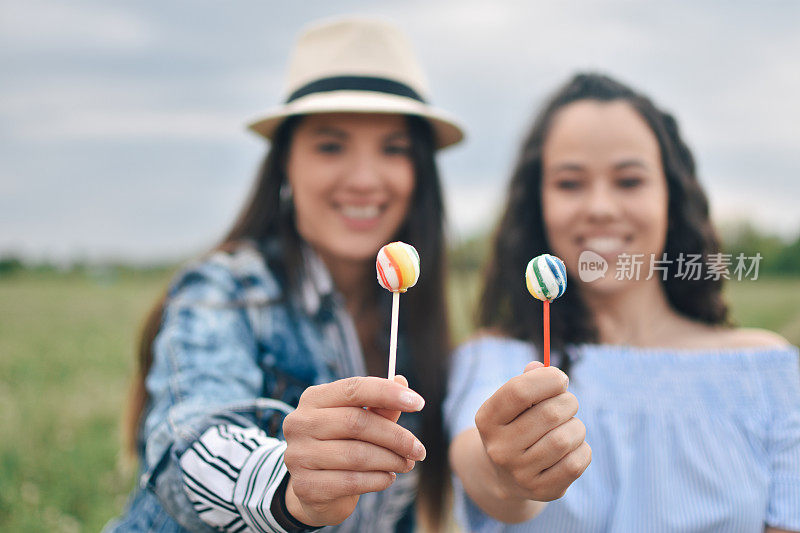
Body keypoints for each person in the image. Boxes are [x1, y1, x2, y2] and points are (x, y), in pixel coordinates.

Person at [104, 17, 465, 533]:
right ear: (286, 166)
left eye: (394, 148)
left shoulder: (414, 319)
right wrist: (288, 484)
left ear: (419, 171)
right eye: (331, 145)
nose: (365, 180)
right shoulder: (225, 289)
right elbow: (189, 446)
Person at [445, 73, 800, 532]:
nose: (600, 207)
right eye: (570, 183)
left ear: (671, 196)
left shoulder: (767, 371)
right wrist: (509, 475)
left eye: (629, 181)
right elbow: (486, 474)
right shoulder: (492, 359)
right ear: (540, 204)